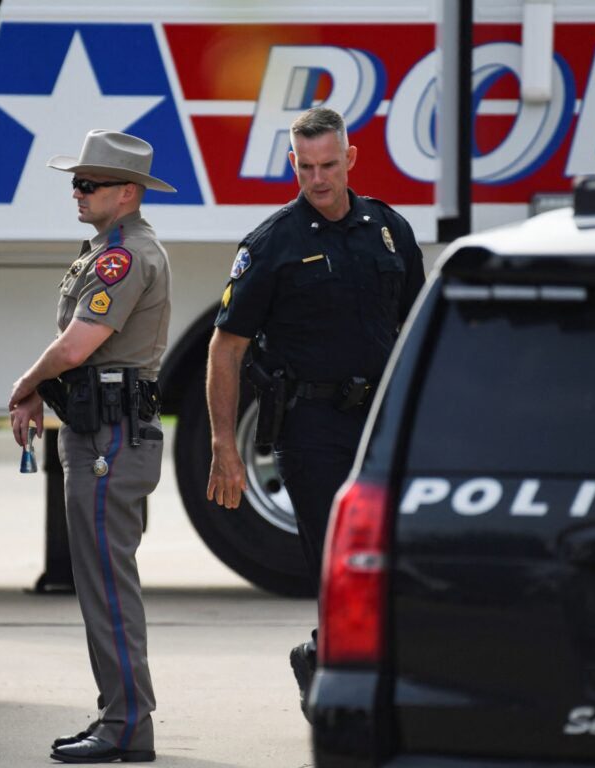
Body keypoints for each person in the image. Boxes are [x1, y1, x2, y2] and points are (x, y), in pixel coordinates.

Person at [205, 107, 425, 717]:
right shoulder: (273, 244)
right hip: (312, 427)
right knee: (336, 559)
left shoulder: (388, 230)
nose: (318, 179)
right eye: (306, 168)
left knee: (389, 555)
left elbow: (412, 329)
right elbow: (225, 349)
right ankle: (348, 694)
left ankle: (325, 655)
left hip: (378, 424)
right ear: (292, 164)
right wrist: (225, 446)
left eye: (329, 165)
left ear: (350, 159)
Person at [8, 129, 174, 764]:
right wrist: (40, 391)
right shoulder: (105, 250)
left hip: (109, 437)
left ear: (126, 192)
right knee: (102, 578)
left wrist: (25, 384)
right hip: (98, 429)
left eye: (89, 183)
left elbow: (78, 345)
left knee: (107, 581)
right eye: (76, 181)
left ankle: (127, 721)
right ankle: (122, 716)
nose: (77, 192)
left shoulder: (124, 257)